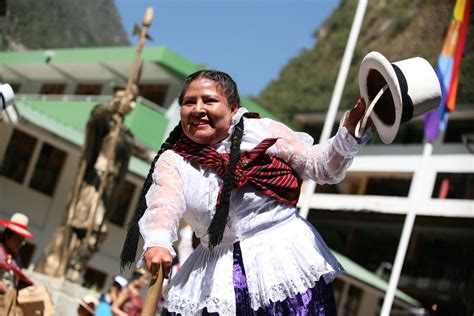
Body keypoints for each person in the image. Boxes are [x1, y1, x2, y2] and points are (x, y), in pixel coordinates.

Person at [120, 70, 372, 315]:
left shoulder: (263, 132)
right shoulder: (173, 161)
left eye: (209, 100)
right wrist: (158, 243)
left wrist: (350, 131)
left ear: (232, 108)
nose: (198, 109)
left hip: (283, 262)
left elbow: (321, 166)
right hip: (215, 279)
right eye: (188, 102)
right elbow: (164, 205)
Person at [35, 86, 154, 282]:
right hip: (95, 181)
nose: (131, 105)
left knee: (98, 229)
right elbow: (96, 115)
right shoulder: (104, 122)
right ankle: (71, 265)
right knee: (89, 224)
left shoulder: (124, 133)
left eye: (133, 101)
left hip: (110, 187)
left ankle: (77, 266)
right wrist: (113, 106)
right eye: (128, 99)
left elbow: (145, 152)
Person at [0, 212, 34, 315]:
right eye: (17, 240)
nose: (19, 244)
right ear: (7, 236)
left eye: (22, 241)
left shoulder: (16, 259)